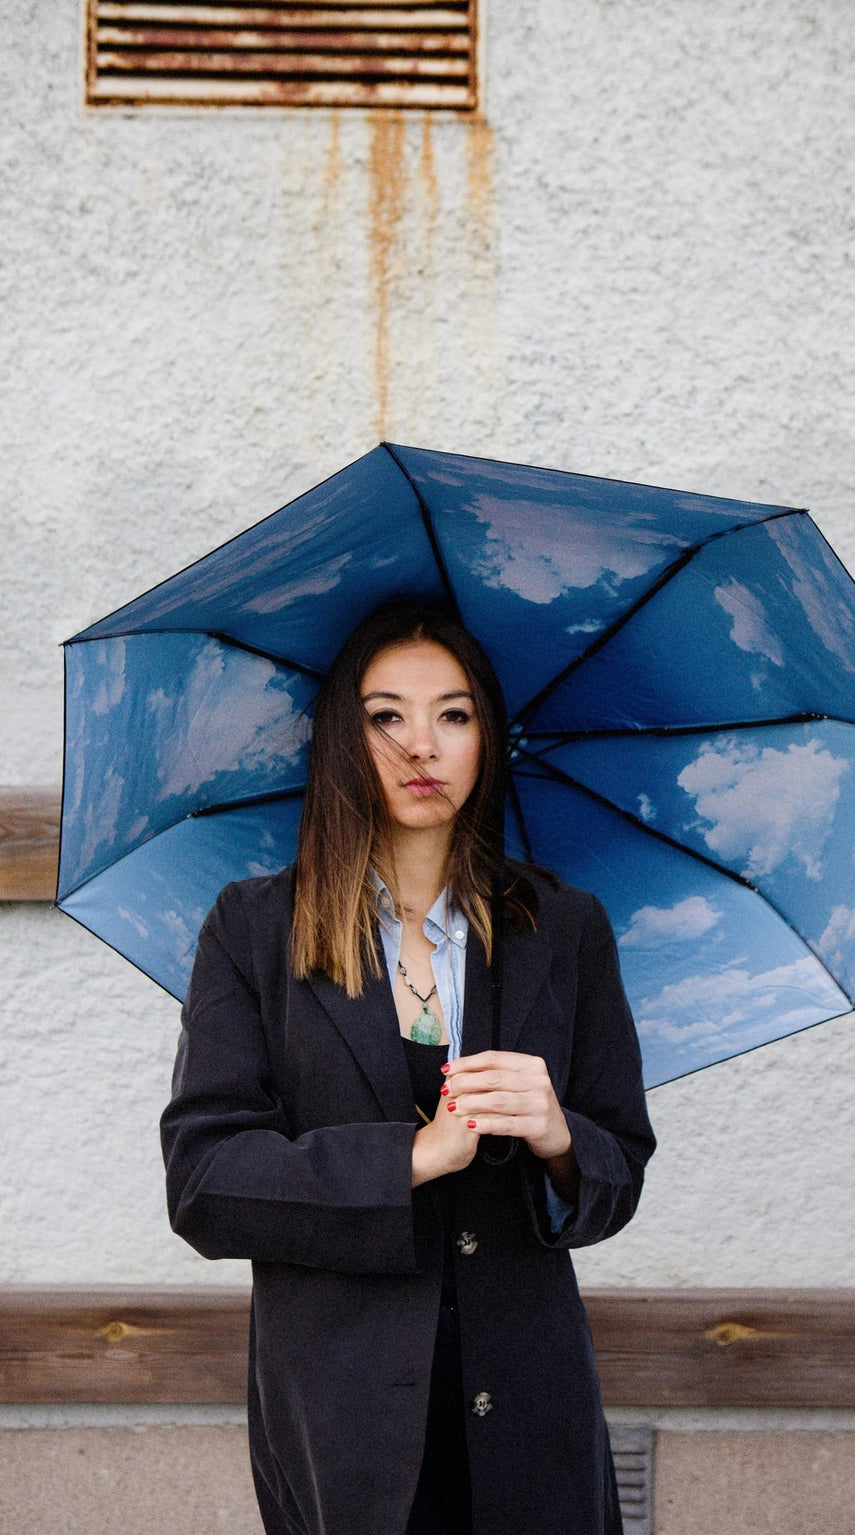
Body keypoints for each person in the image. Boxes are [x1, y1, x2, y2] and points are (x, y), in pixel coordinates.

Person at [160, 600, 656, 1535]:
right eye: (387, 715)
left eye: (455, 714)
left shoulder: (565, 926)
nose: (421, 745)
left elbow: (618, 1168)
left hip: (531, 1399)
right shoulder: (256, 928)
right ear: (345, 737)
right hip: (343, 1414)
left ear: (487, 740)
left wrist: (560, 1139)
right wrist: (409, 1158)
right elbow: (206, 1182)